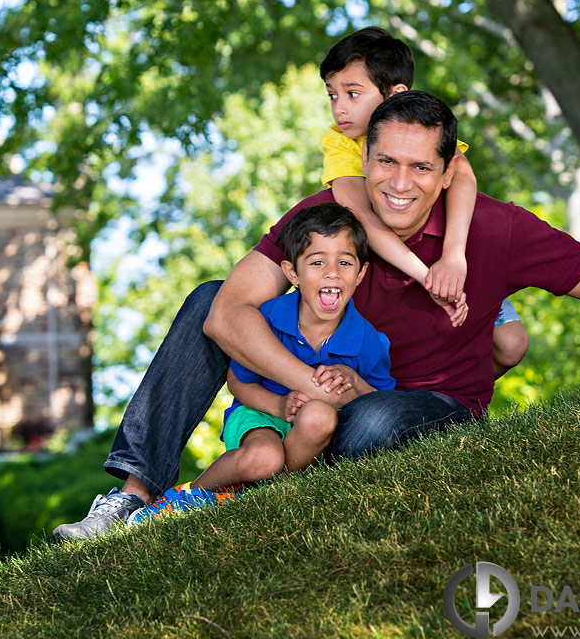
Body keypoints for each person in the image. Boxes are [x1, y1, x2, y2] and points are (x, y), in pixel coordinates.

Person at [54, 91, 580, 542]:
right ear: (363, 158)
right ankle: (134, 496)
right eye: (385, 162)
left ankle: (250, 492)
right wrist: (305, 384)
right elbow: (226, 316)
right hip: (315, 396)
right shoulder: (328, 220)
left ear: (449, 170)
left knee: (370, 424)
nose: (399, 183)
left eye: (421, 167)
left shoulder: (494, 228)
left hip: (429, 401)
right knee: (207, 300)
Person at [125, 204, 395, 524]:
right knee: (263, 458)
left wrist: (353, 380)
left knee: (320, 415)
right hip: (261, 413)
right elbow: (239, 382)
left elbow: (382, 406)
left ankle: (261, 491)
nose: (332, 272)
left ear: (361, 273)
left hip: (314, 434)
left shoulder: (368, 341)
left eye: (345, 262)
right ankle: (185, 499)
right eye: (317, 261)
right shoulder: (267, 318)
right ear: (292, 272)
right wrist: (280, 406)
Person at [318, 27, 529, 376]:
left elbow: (463, 176)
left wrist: (454, 257)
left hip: (447, 254)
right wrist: (427, 277)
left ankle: (448, 396)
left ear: (395, 94)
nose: (339, 108)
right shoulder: (341, 141)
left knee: (512, 343)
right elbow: (361, 217)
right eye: (332, 95)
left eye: (352, 94)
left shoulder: (427, 125)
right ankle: (422, 400)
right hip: (395, 269)